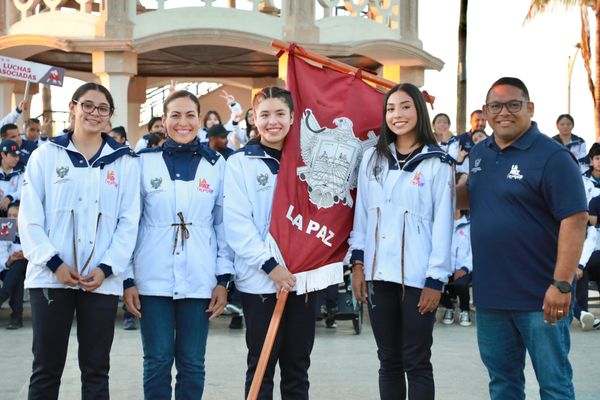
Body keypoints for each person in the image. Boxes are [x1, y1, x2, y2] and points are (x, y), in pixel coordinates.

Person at [457, 77, 588, 399]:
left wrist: (562, 284)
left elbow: (575, 220)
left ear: (530, 108)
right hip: (490, 297)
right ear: (485, 113)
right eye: (495, 106)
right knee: (503, 384)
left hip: (541, 298)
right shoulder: (479, 154)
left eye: (513, 104)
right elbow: (465, 198)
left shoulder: (553, 157)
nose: (504, 112)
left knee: (554, 386)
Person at [19, 82, 141, 399]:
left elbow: (129, 221)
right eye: (87, 105)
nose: (94, 113)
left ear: (110, 116)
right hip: (50, 278)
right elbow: (30, 217)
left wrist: (106, 268)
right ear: (73, 107)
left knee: (96, 369)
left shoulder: (124, 161)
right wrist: (54, 263)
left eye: (102, 108)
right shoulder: (46, 155)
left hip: (100, 280)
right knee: (46, 368)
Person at [124, 90, 233, 399]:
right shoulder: (142, 163)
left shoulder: (217, 165)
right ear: (163, 120)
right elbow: (130, 224)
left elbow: (222, 226)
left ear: (200, 120)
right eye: (175, 115)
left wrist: (223, 279)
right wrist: (128, 277)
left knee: (192, 363)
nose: (182, 122)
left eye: (189, 115)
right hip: (151, 278)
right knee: (157, 361)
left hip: (200, 278)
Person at [349, 83, 454, 400]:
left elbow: (443, 225)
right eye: (391, 108)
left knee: (417, 361)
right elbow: (363, 216)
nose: (398, 114)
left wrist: (436, 279)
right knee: (388, 361)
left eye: (406, 106)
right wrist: (358, 264)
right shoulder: (373, 159)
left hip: (419, 279)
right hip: (379, 275)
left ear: (419, 111)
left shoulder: (438, 162)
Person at [224, 86, 318, 399]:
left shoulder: (310, 163)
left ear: (293, 117)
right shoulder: (240, 163)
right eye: (265, 114)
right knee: (261, 367)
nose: (272, 121)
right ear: (254, 118)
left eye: (280, 113)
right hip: (260, 282)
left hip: (303, 280)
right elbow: (238, 225)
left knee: (297, 368)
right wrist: (270, 266)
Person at [441, 203, 473, 327]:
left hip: (465, 268)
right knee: (433, 283)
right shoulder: (443, 224)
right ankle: (449, 307)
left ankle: (465, 310)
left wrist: (464, 268)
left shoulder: (469, 224)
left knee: (461, 284)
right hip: (446, 268)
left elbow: (473, 250)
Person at [0, 201, 27, 329]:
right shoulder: (5, 229)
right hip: (10, 268)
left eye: (15, 215)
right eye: (9, 215)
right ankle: (16, 318)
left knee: (20, 263)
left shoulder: (28, 229)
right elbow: (2, 254)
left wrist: (25, 255)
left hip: (29, 265)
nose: (11, 218)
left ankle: (3, 296)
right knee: (18, 277)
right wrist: (9, 260)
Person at [0, 140, 24, 214]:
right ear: (3, 154)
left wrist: (9, 198)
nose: (17, 159)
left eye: (18, 155)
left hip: (14, 208)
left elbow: (22, 191)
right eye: (13, 155)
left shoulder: (22, 170)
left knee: (13, 212)